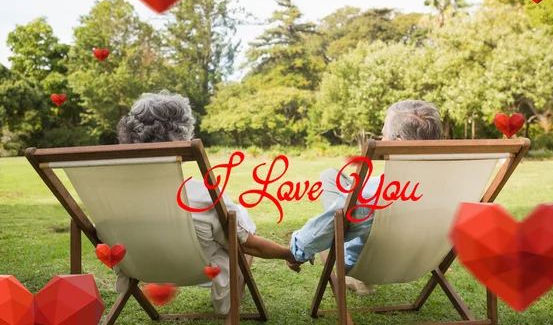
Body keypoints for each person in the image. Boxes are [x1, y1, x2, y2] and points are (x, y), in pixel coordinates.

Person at [116, 90, 298, 314]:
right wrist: (289, 254)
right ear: (182, 135)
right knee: (239, 227)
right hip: (199, 267)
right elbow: (248, 244)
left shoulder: (115, 197)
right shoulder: (202, 197)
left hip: (142, 267)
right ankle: (232, 298)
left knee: (235, 224)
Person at [287, 100, 443, 295]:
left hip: (366, 264)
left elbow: (318, 235)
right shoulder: (454, 188)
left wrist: (297, 250)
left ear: (397, 145)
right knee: (331, 176)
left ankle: (356, 278)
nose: (381, 137)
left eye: (384, 133)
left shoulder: (369, 195)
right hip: (422, 262)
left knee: (345, 209)